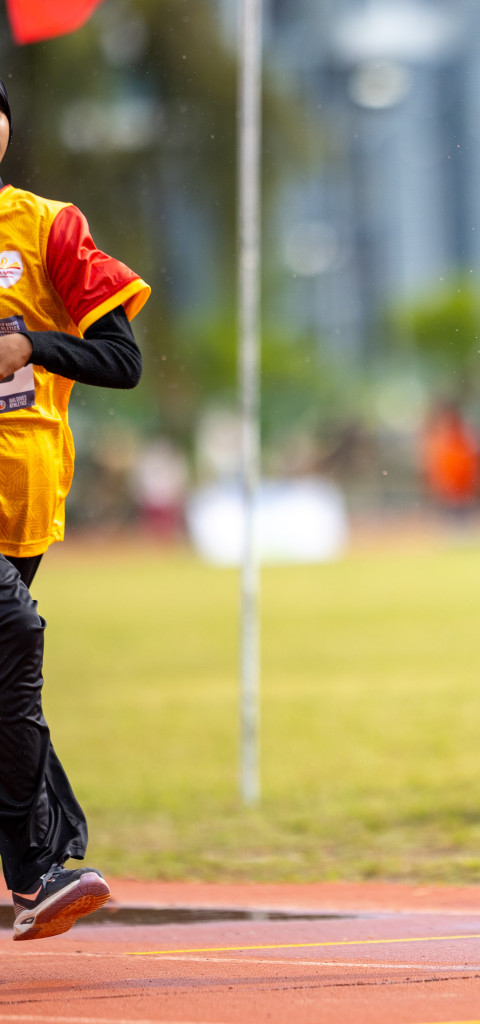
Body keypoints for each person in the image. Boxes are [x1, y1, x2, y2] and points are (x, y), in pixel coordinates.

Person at [0, 78, 149, 940]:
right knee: (10, 641)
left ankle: (38, 875)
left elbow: (121, 359)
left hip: (21, 494)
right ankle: (47, 867)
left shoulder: (49, 225)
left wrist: (30, 344)